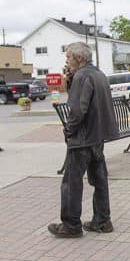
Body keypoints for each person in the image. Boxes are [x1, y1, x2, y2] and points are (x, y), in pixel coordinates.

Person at [48, 42, 118, 238]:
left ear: (79, 58)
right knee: (99, 179)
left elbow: (78, 110)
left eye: (68, 57)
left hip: (83, 138)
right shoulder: (98, 74)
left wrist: (69, 130)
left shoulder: (82, 76)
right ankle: (102, 221)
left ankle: (71, 225)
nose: (66, 61)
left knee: (71, 182)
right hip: (97, 137)